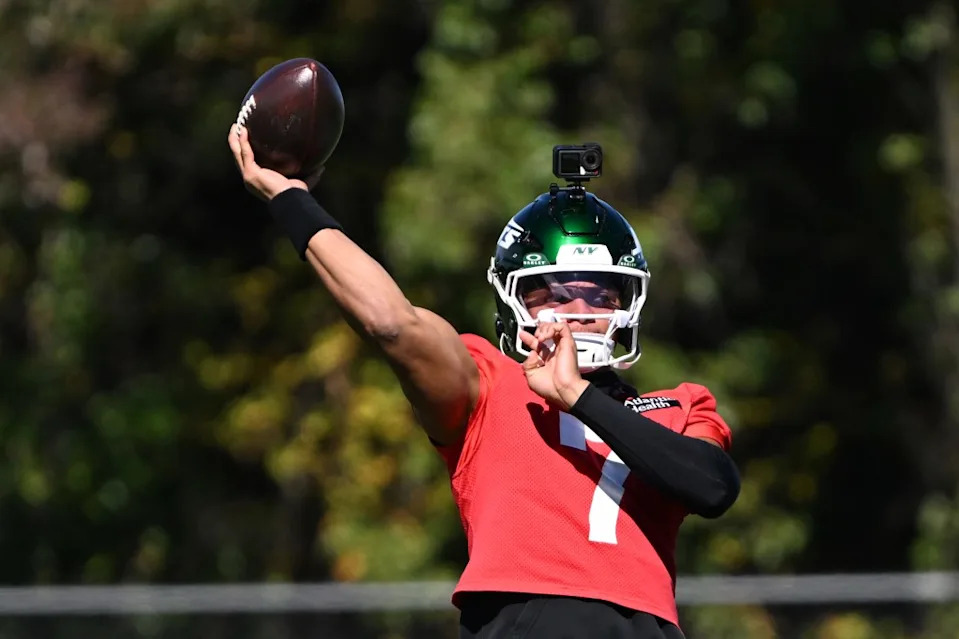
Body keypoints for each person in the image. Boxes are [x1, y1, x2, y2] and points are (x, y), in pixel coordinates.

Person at [228, 124, 741, 639]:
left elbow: (712, 487)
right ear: (515, 301)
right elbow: (390, 321)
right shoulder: (486, 381)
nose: (581, 311)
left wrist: (577, 397)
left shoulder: (682, 405)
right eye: (556, 295)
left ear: (629, 304)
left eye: (603, 294)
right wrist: (291, 198)